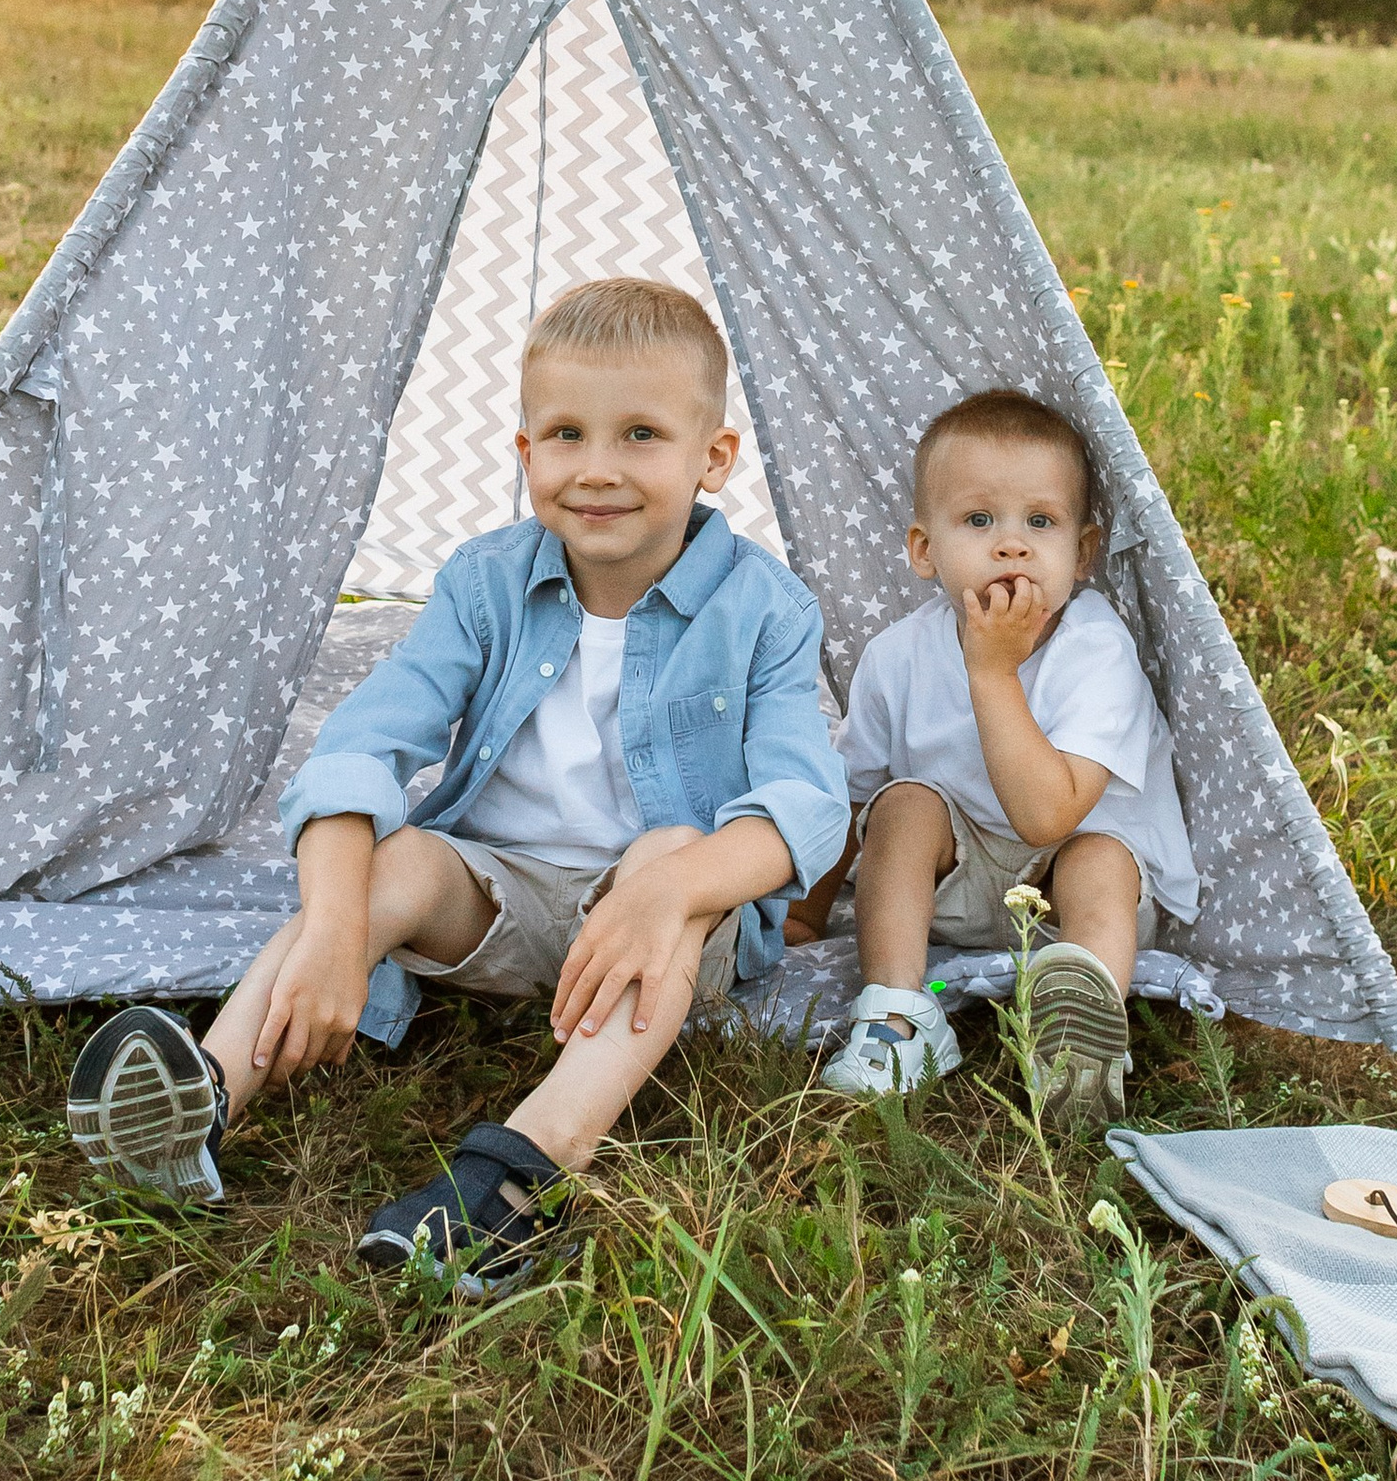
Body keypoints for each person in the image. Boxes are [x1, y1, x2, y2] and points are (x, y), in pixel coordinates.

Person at [63, 276, 848, 1277]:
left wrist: (673, 889)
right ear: (524, 454)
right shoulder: (487, 581)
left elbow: (804, 807)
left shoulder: (766, 609)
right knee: (397, 859)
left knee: (671, 847)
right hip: (502, 900)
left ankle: (525, 1176)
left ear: (714, 458)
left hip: (668, 930)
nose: (596, 470)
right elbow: (357, 750)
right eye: (564, 434)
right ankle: (199, 1101)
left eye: (641, 435)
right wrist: (340, 933)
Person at [823, 387, 1197, 1119]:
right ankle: (901, 1017)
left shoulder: (1095, 650)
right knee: (901, 806)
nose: (1012, 544)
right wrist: (803, 919)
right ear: (924, 551)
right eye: (979, 519)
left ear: (1083, 552)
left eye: (1041, 521)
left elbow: (1046, 814)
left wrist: (993, 671)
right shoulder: (896, 655)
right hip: (956, 896)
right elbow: (847, 804)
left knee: (1099, 857)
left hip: (1070, 891)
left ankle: (1082, 1034)